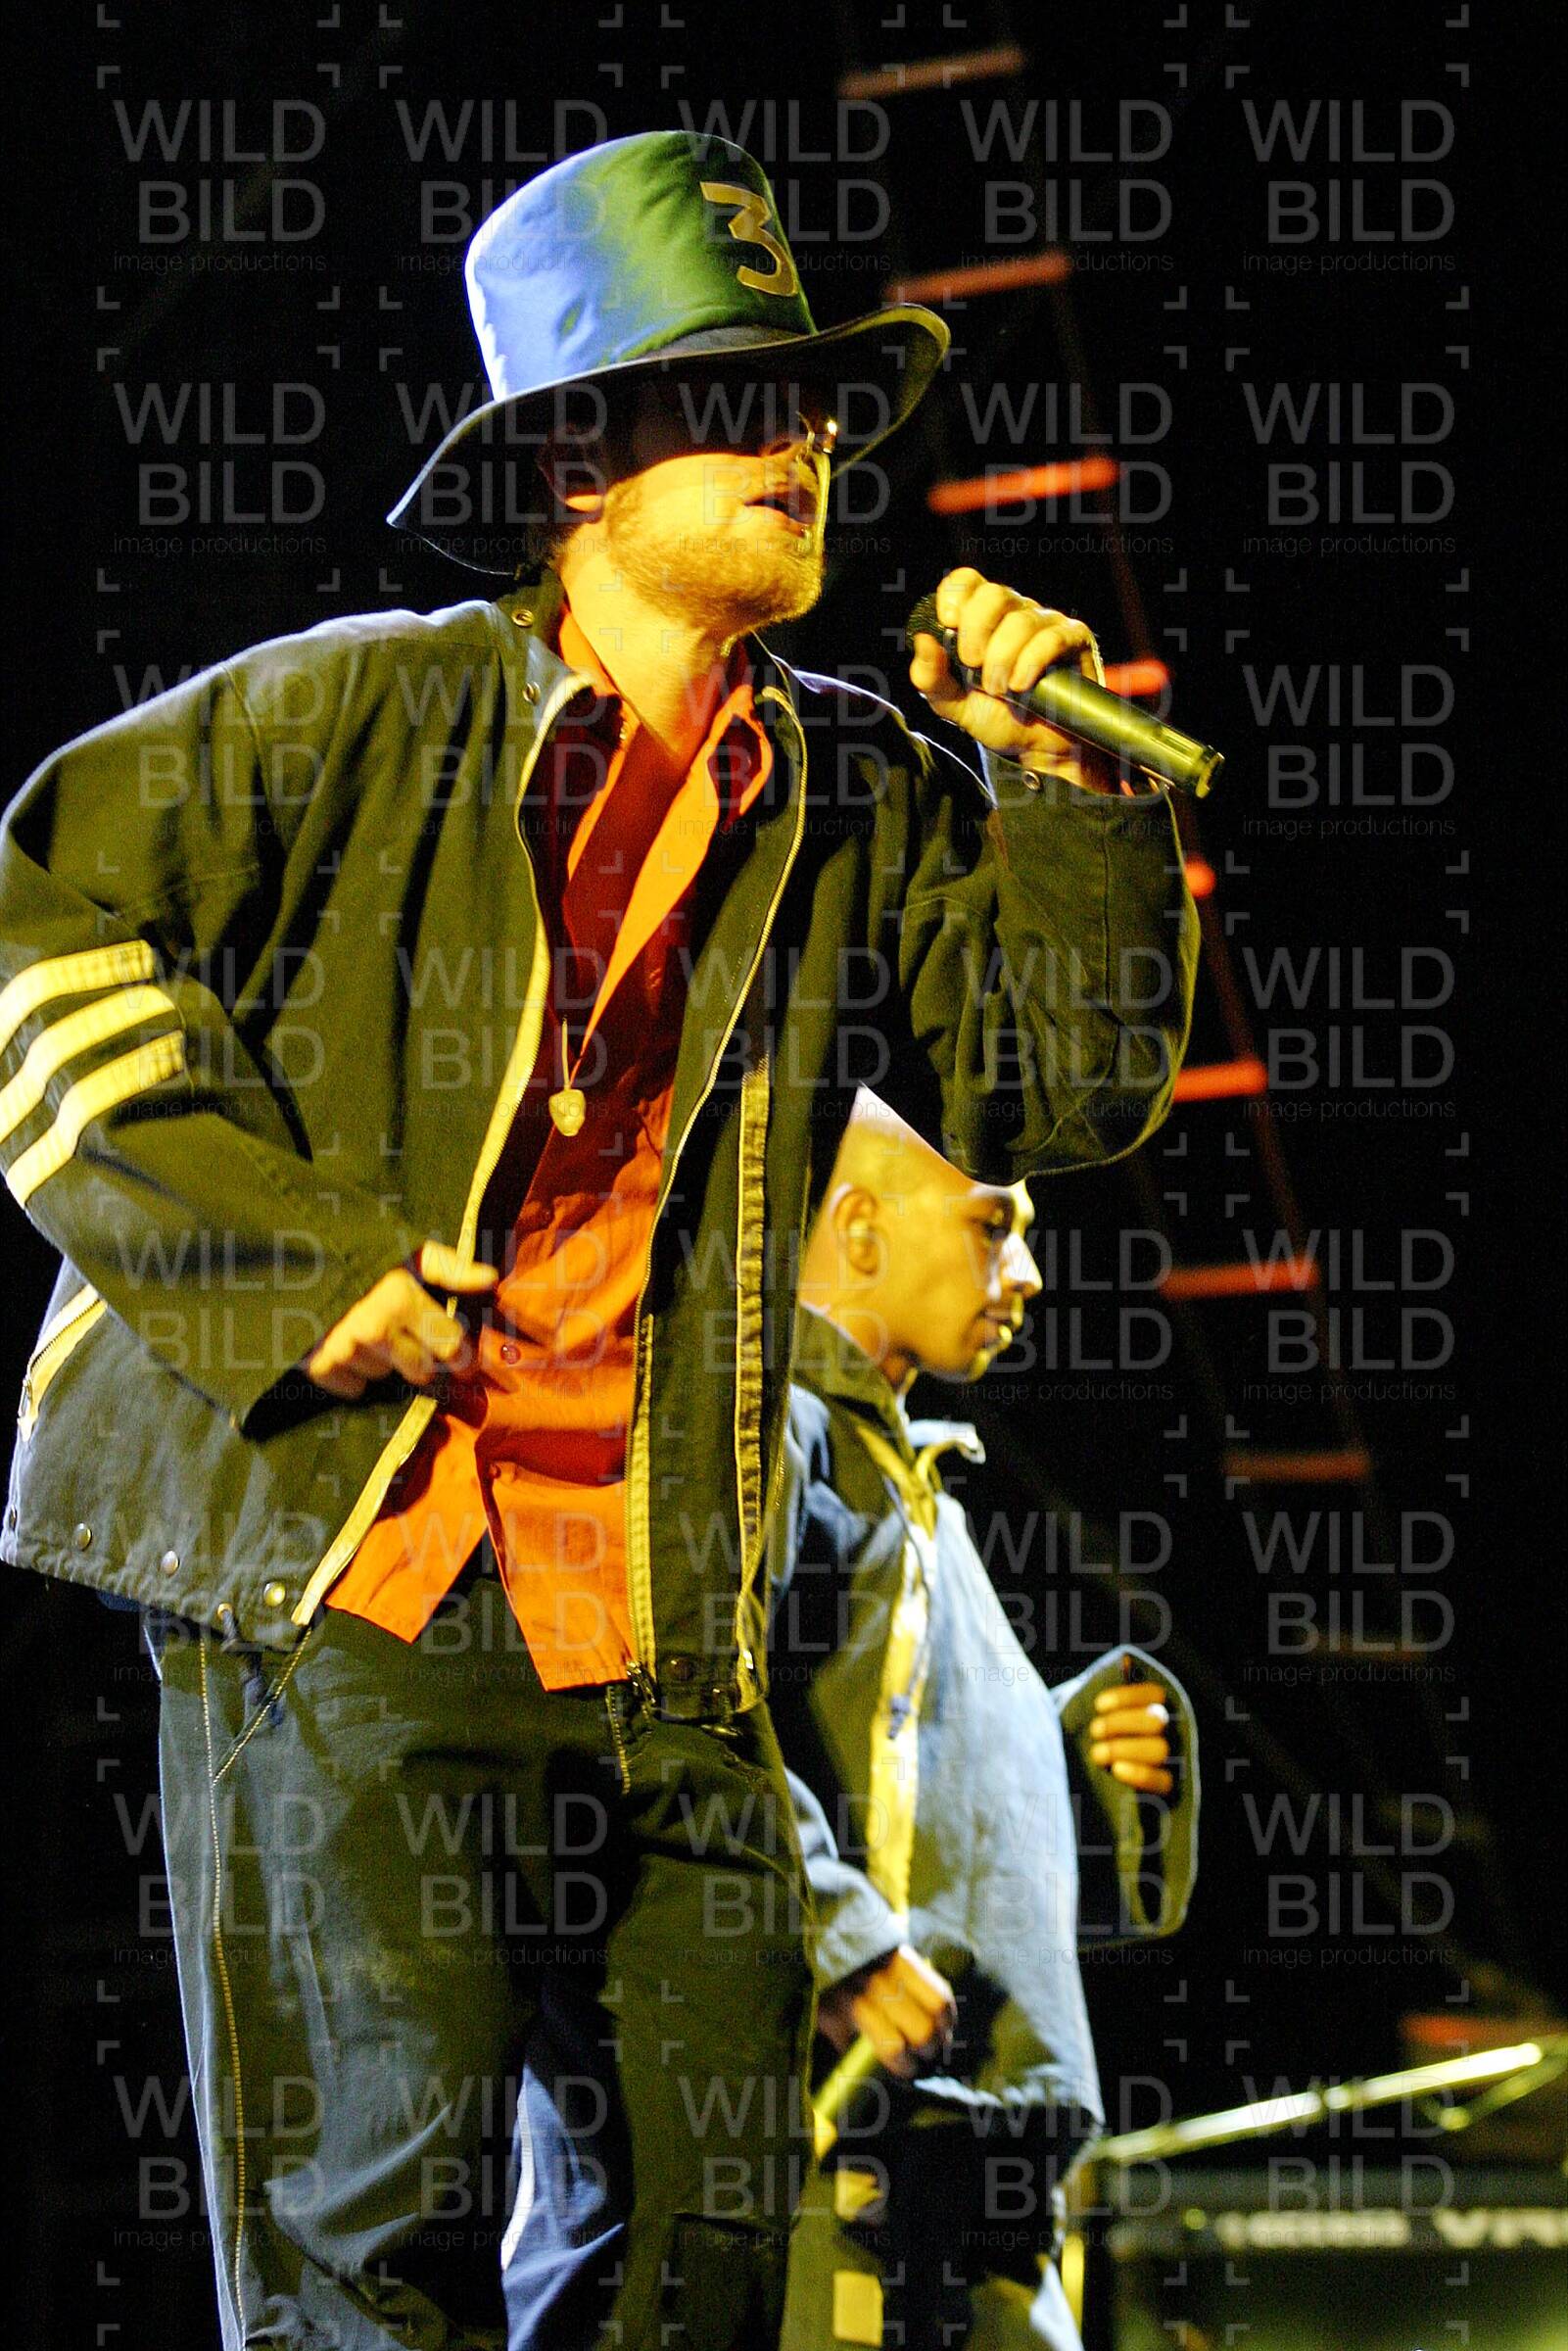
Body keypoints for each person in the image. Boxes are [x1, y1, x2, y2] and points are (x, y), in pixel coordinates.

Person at [0, 130, 1197, 2349]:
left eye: (814, 404)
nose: (802, 443)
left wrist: (1070, 791)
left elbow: (1052, 1084)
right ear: (576, 459)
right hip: (365, 1579)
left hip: (667, 1623)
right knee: (372, 2251)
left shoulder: (844, 782)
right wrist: (283, 1266)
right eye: (737, 399)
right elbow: (44, 908)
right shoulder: (367, 705)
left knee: (697, 2252)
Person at [767, 1093, 1199, 2350]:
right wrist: (836, 1933)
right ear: (858, 1230)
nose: (1026, 1271)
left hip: (977, 2160)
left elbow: (914, 1770)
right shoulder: (778, 1435)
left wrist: (1076, 1758)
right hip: (857, 2158)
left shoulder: (918, 1498)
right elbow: (695, 1705)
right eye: (991, 1226)